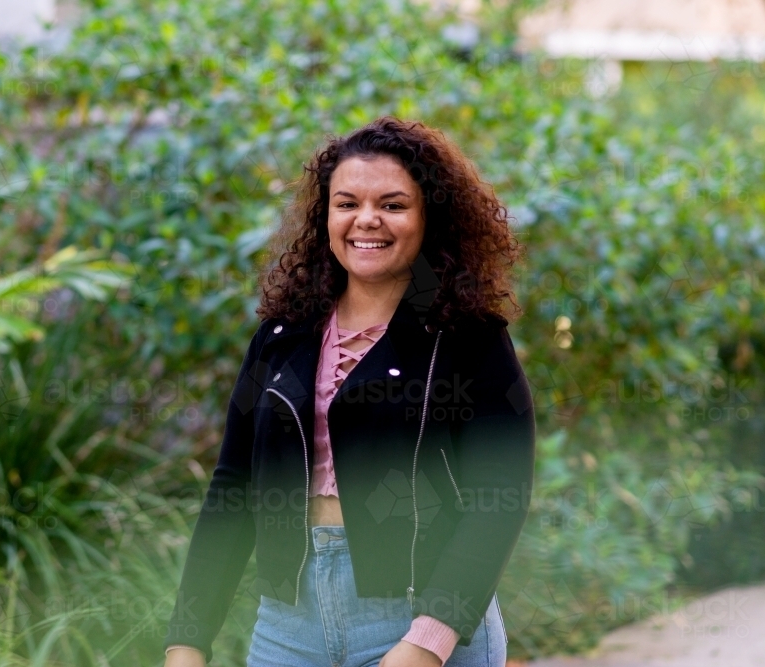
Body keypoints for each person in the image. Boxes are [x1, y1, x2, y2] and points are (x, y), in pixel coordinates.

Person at [164, 116, 536, 667]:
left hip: (419, 618)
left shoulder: (467, 338)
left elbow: (498, 497)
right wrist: (188, 637)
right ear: (326, 216)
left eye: (393, 204)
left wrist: (428, 641)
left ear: (429, 217)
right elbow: (234, 486)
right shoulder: (280, 337)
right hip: (287, 628)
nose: (367, 220)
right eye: (346, 203)